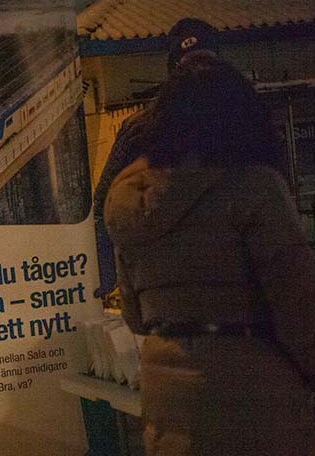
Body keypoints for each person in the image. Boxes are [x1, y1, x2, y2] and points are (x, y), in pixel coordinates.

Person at [104, 52, 315, 456]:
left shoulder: (130, 200)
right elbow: (301, 316)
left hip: (170, 392)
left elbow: (133, 312)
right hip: (252, 403)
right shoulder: (254, 189)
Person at [91, 18, 219, 296]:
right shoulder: (141, 131)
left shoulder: (244, 125)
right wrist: (115, 285)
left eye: (206, 65)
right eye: (188, 67)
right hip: (177, 293)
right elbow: (103, 206)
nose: (198, 76)